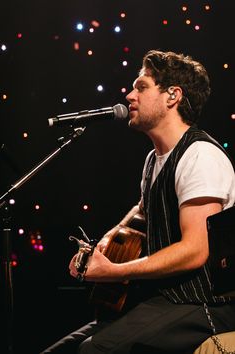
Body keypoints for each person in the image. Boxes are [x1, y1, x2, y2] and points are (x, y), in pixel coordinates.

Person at [40, 50, 235, 354]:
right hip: (162, 299)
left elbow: (196, 250)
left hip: (202, 304)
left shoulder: (201, 157)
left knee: (93, 350)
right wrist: (107, 241)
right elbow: (144, 209)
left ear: (173, 96)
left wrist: (113, 272)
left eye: (141, 87)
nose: (130, 95)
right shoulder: (153, 159)